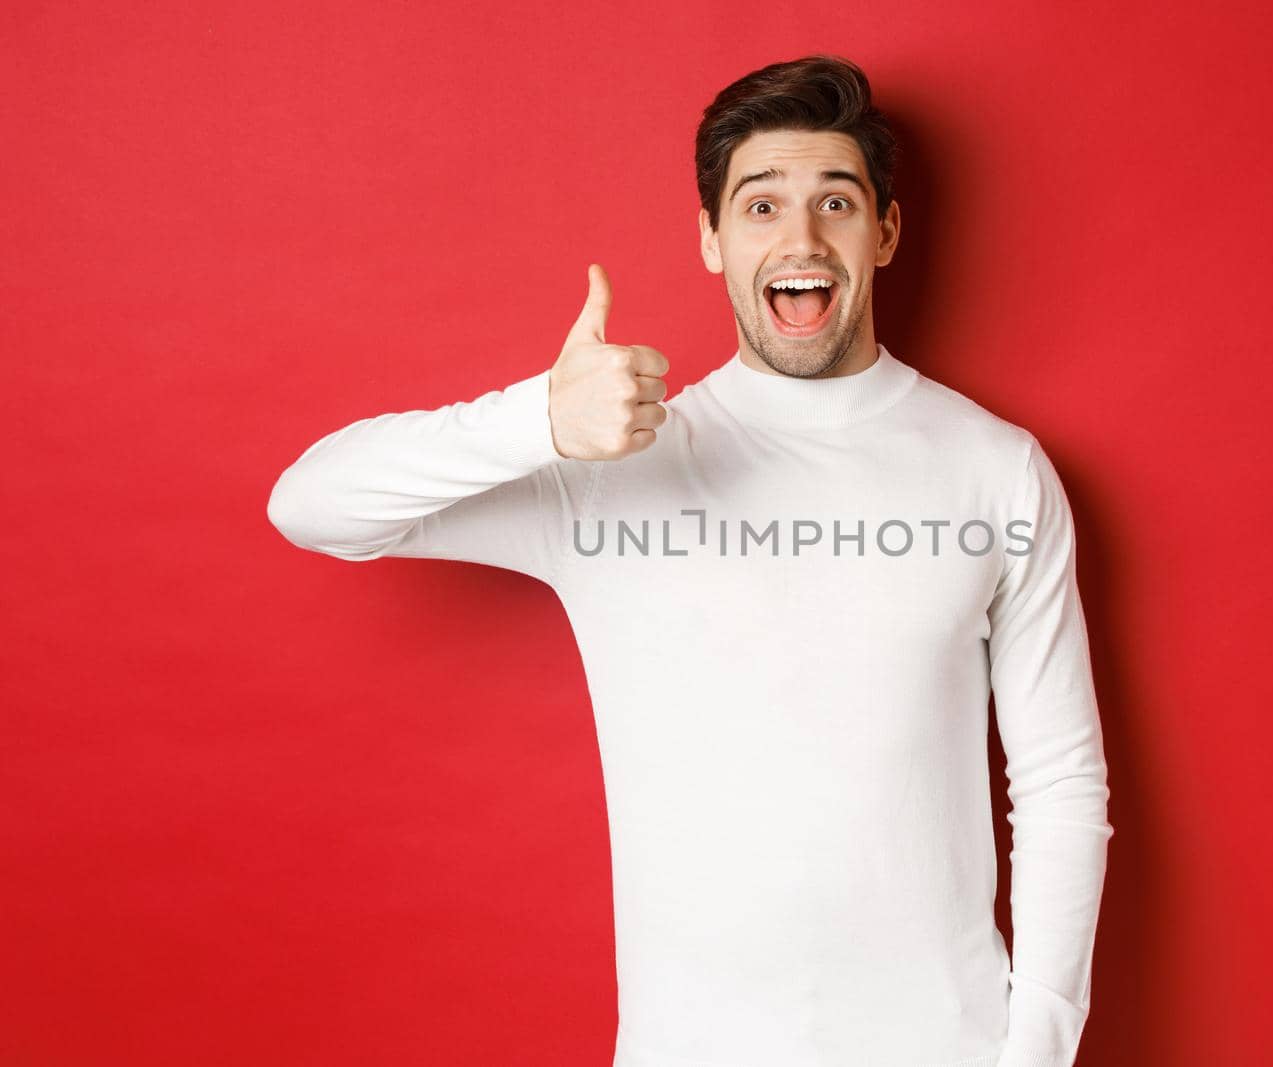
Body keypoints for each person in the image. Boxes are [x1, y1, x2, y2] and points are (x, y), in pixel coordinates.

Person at [268, 53, 1112, 1067]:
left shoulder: (994, 469)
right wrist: (537, 419)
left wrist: (1035, 1052)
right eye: (759, 207)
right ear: (711, 239)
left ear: (882, 232)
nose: (800, 238)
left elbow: (1061, 777)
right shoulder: (611, 466)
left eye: (834, 201)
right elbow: (312, 503)